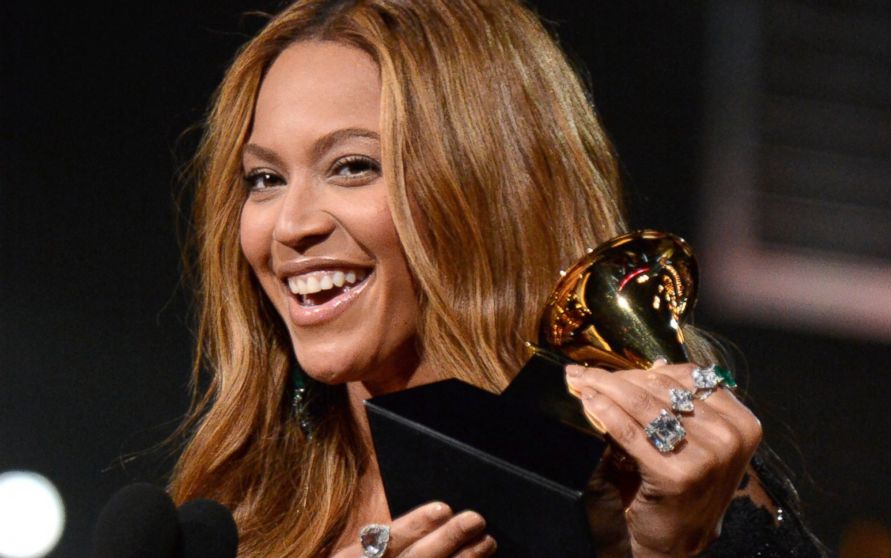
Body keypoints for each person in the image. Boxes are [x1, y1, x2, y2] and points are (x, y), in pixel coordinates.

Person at [169, 0, 824, 556]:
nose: (291, 226)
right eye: (264, 178)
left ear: (486, 189)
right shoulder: (239, 503)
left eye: (351, 166)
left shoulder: (654, 486)